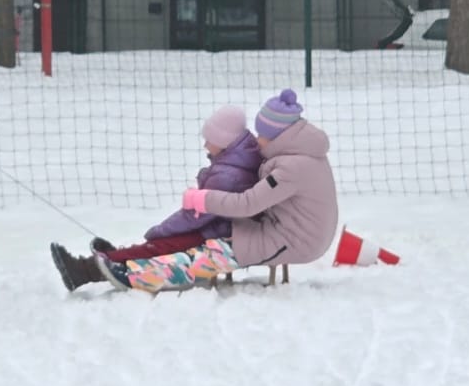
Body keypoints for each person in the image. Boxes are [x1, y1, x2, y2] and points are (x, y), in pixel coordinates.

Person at [105, 89, 339, 294]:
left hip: (296, 240)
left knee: (216, 252)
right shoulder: (301, 153)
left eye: (263, 136)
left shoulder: (292, 167)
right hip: (287, 229)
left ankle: (137, 276)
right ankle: (135, 264)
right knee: (217, 233)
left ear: (278, 136)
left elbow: (248, 204)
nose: (258, 141)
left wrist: (202, 199)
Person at [48, 105, 260, 292]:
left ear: (224, 142)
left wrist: (160, 231)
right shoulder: (235, 163)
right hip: (217, 227)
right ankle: (116, 257)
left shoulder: (227, 176)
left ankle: (86, 270)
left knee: (161, 245)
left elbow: (194, 217)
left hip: (217, 232)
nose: (205, 145)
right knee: (161, 243)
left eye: (210, 140)